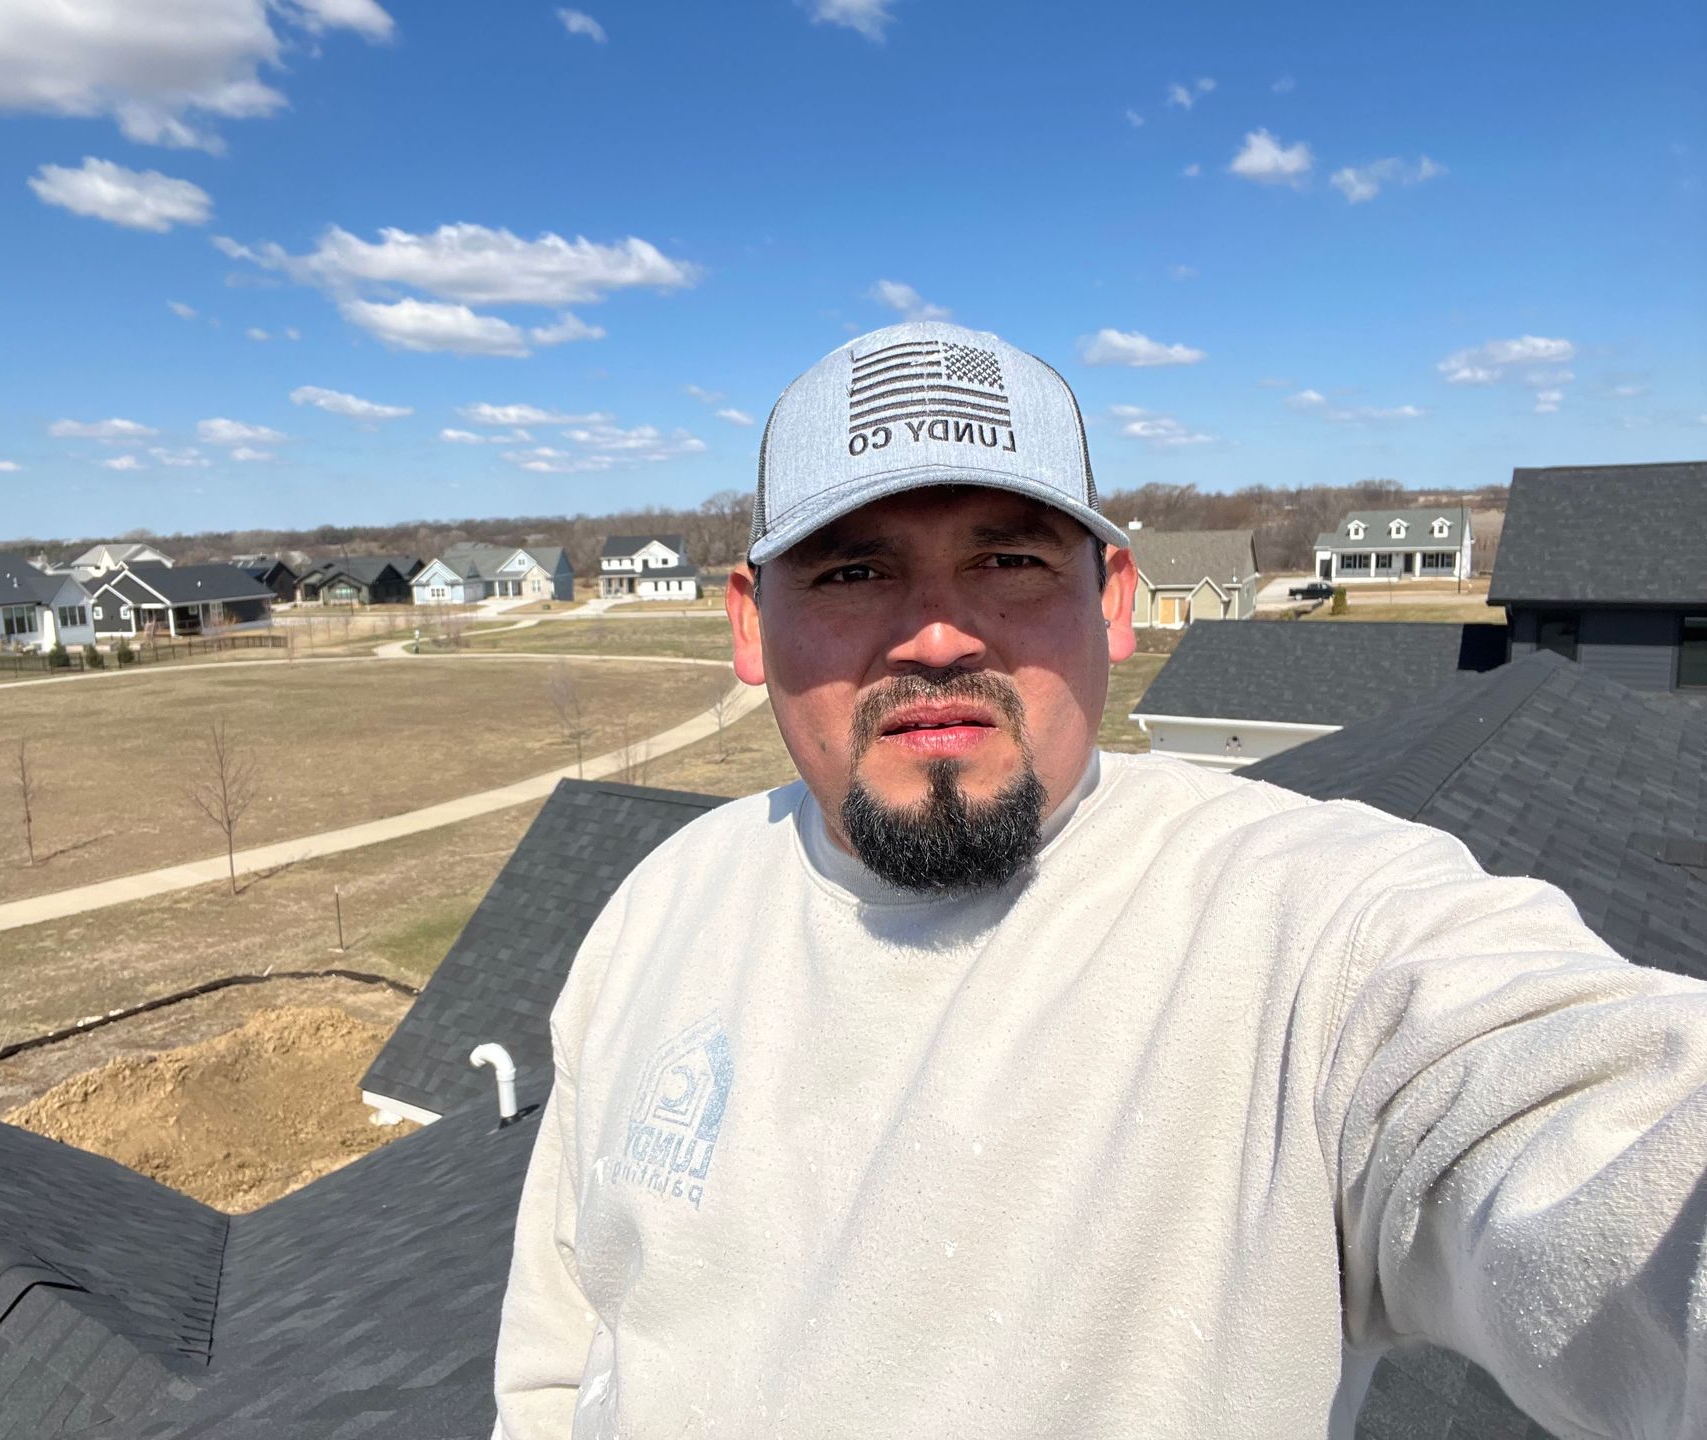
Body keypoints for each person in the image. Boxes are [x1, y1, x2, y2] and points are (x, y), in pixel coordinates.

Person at [492, 321, 1707, 1439]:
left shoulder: (1308, 932)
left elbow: (1599, 1140)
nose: (936, 634)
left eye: (1009, 558)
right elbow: (561, 1358)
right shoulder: (662, 907)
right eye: (854, 571)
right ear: (750, 625)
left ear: (1115, 599)